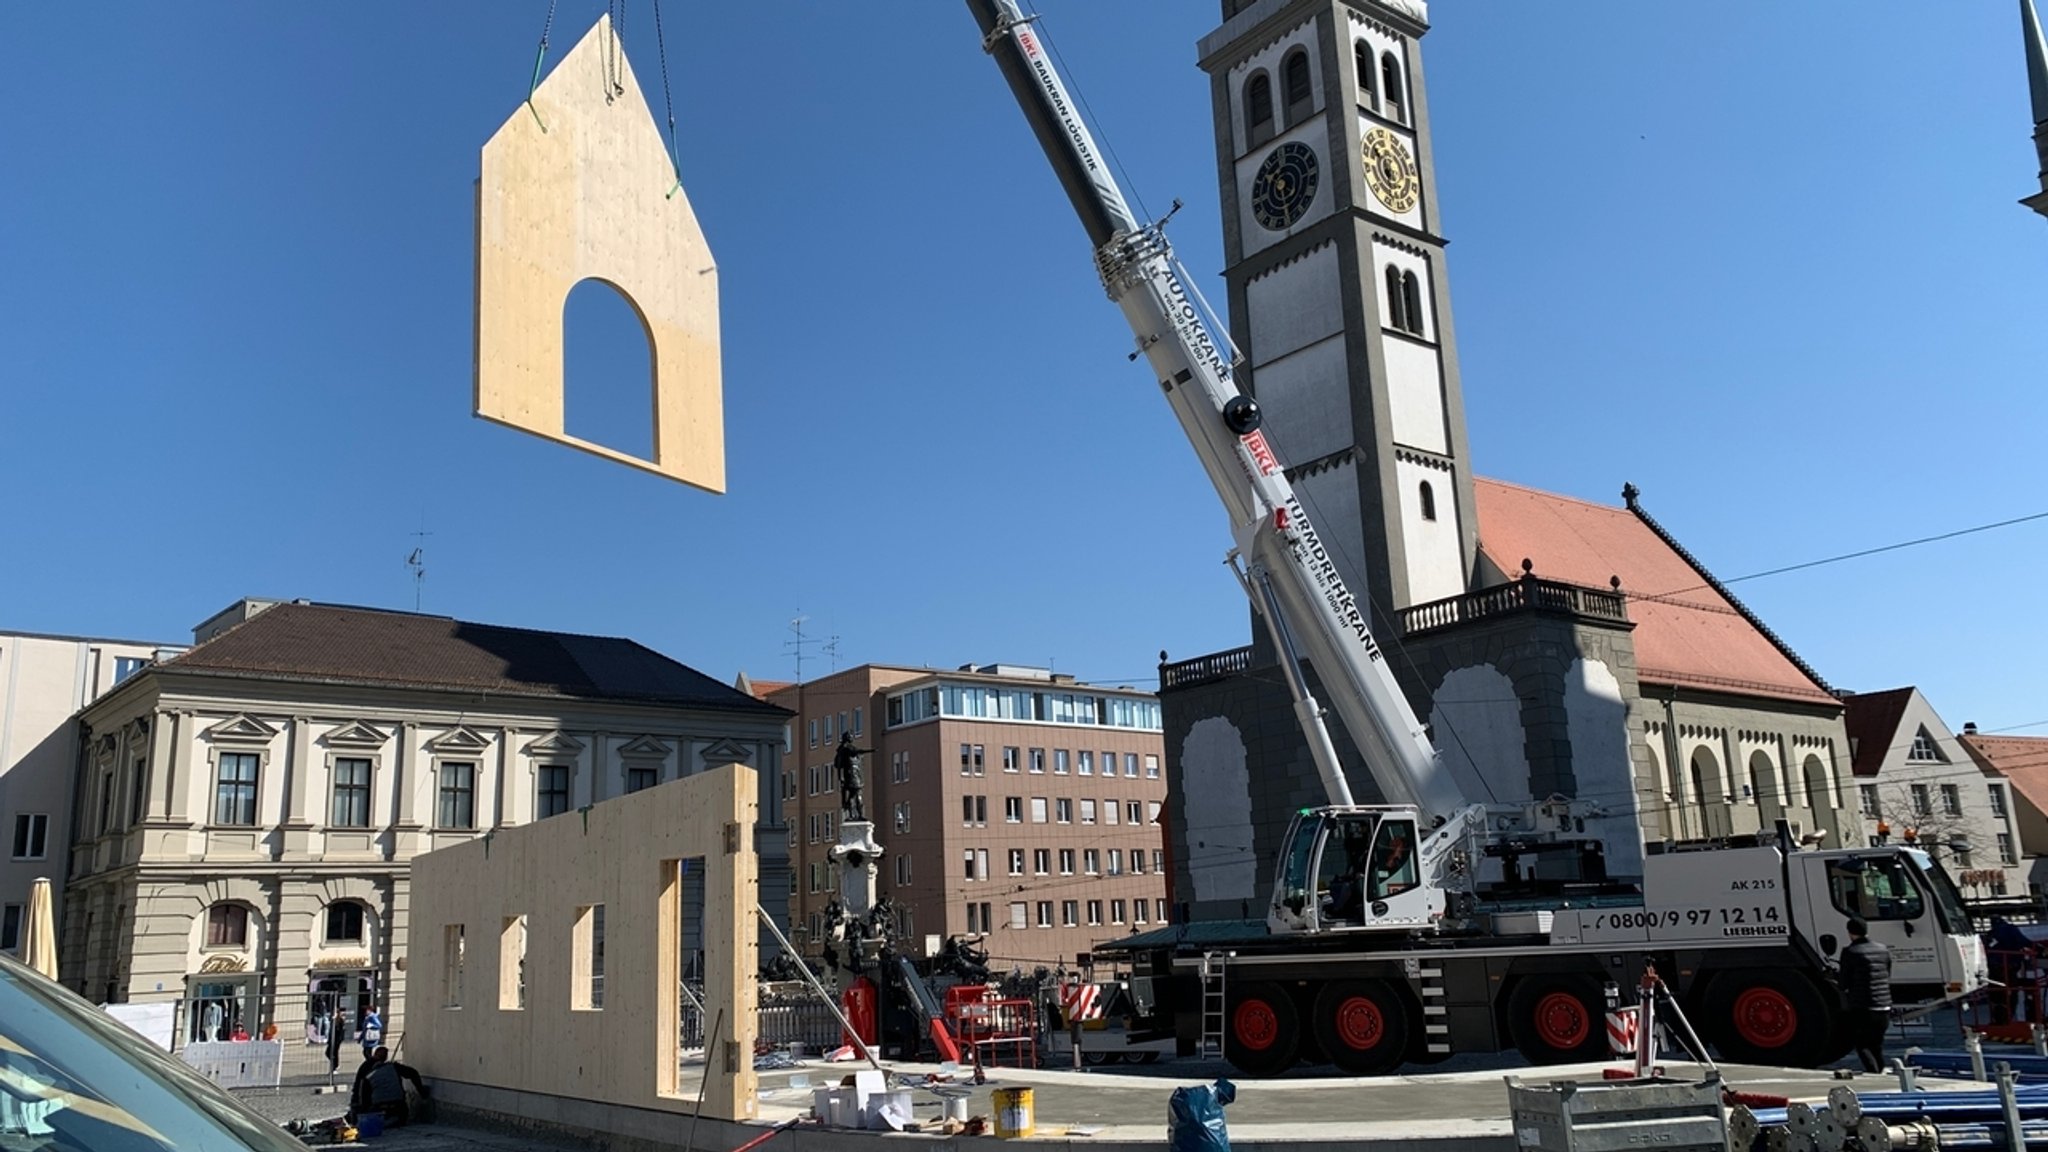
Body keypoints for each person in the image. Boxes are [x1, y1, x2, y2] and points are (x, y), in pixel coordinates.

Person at [1838, 917, 1894, 1073]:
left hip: (1863, 1006)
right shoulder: (1883, 949)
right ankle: (1881, 1071)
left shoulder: (1850, 952)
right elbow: (1887, 974)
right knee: (1876, 1044)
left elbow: (1844, 983)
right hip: (1884, 1004)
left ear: (1850, 932)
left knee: (1862, 1044)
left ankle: (1874, 1075)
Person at [354, 1046, 428, 1127]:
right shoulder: (394, 1067)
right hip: (399, 1108)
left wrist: (362, 1114)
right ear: (385, 1058)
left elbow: (363, 1097)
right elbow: (413, 1073)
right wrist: (422, 1093)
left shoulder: (367, 1075)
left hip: (379, 1109)